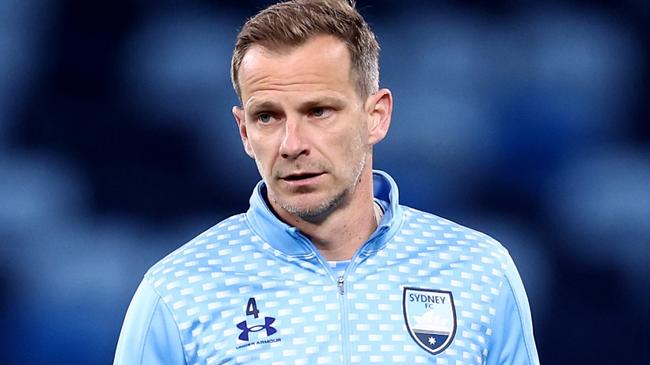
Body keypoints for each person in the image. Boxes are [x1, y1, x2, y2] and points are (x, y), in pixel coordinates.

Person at [114, 0, 540, 364]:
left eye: (319, 111)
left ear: (377, 116)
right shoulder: (178, 290)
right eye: (268, 116)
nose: (292, 144)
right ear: (243, 132)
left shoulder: (478, 270)